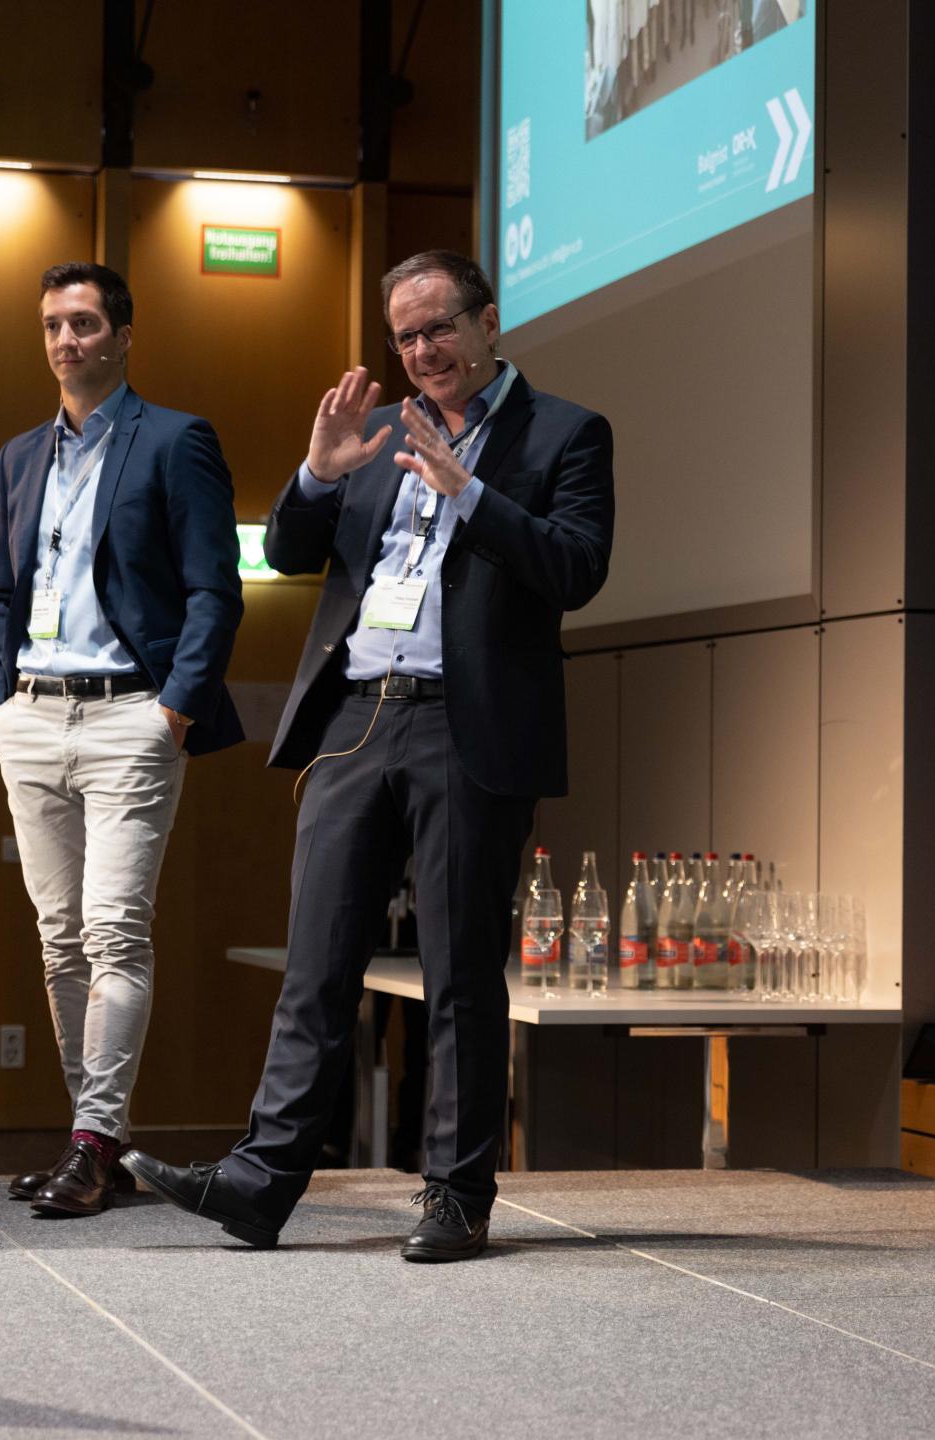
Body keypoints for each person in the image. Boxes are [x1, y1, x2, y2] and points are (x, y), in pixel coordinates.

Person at [129, 250, 615, 1261]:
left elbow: (577, 568)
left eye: (439, 328)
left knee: (459, 974)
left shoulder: (566, 433)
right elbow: (289, 552)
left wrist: (470, 493)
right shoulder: (378, 431)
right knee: (315, 967)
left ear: (488, 323)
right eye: (404, 338)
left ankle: (457, 1194)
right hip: (355, 717)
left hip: (465, 726)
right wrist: (318, 472)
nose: (423, 351)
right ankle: (261, 1183)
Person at [0, 262, 245, 1218]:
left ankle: (92, 1143)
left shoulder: (175, 440)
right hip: (31, 715)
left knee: (114, 929)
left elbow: (216, 589)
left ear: (123, 337)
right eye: (53, 324)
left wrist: (175, 708)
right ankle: (95, 1140)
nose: (66, 340)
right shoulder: (20, 456)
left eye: (84, 323)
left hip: (132, 714)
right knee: (59, 942)